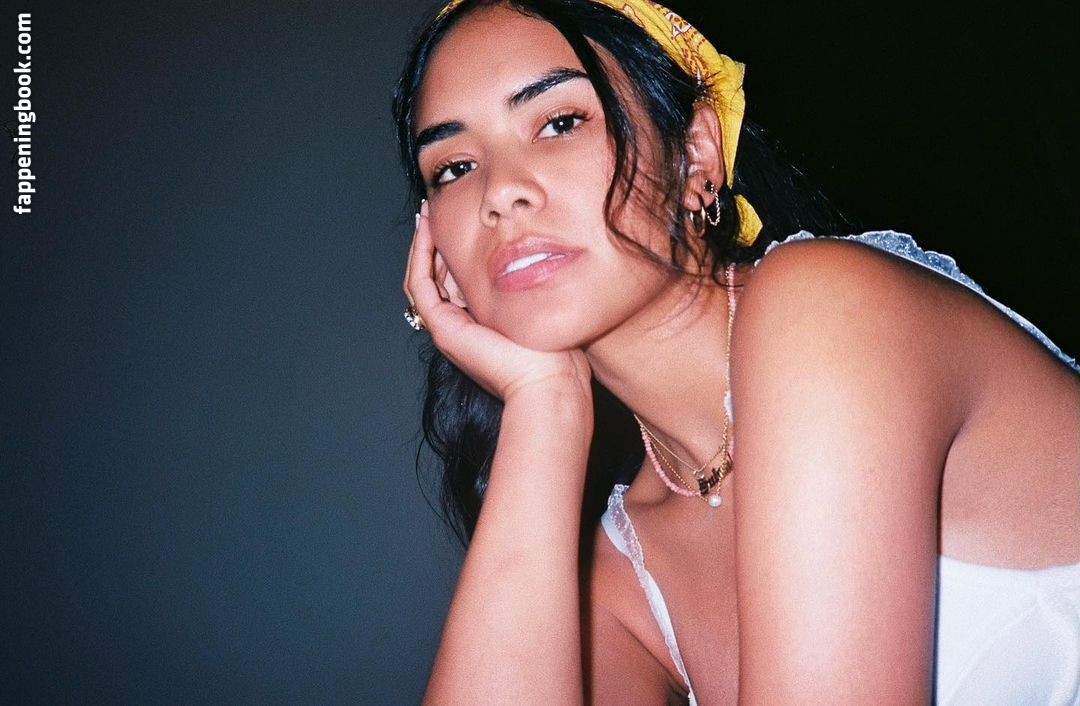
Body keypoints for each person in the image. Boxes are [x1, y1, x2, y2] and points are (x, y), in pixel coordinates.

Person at [394, 0, 1080, 702]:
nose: (499, 193)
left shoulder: (826, 309)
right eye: (453, 167)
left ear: (695, 154)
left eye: (561, 122)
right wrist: (542, 406)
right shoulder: (621, 570)